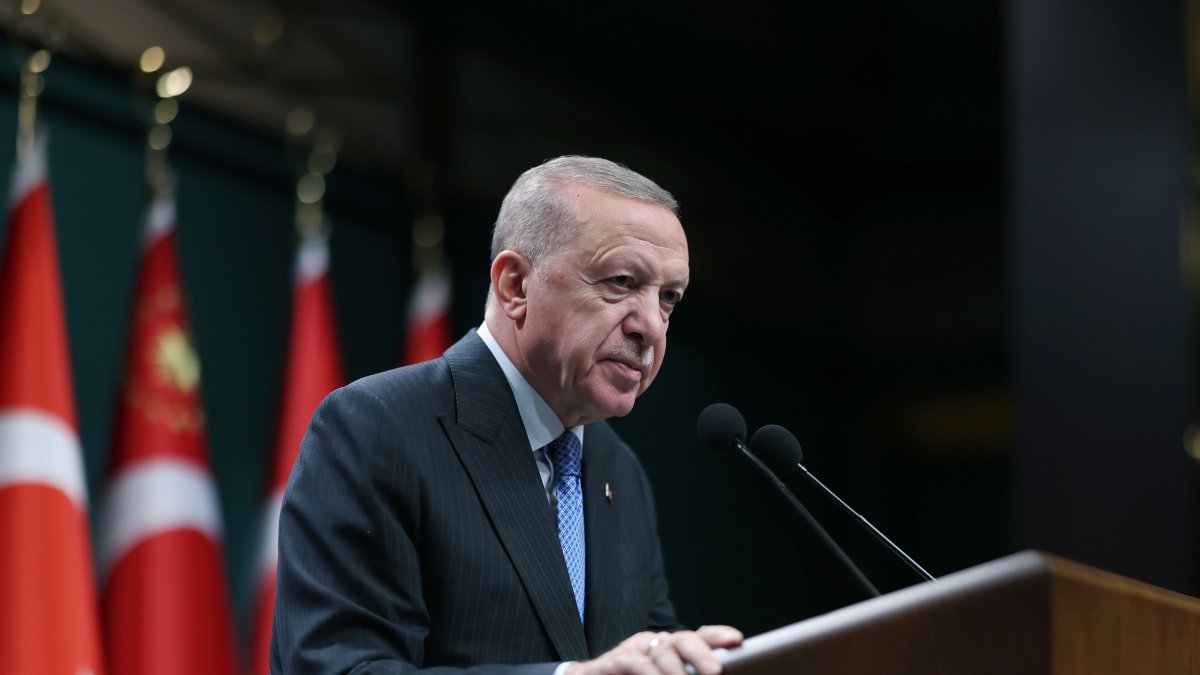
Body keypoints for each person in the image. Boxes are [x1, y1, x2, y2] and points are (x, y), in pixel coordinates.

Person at [271, 156, 742, 674]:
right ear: (515, 285)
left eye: (669, 298)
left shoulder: (618, 469)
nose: (651, 327)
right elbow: (340, 668)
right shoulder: (376, 427)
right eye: (622, 281)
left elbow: (640, 652)